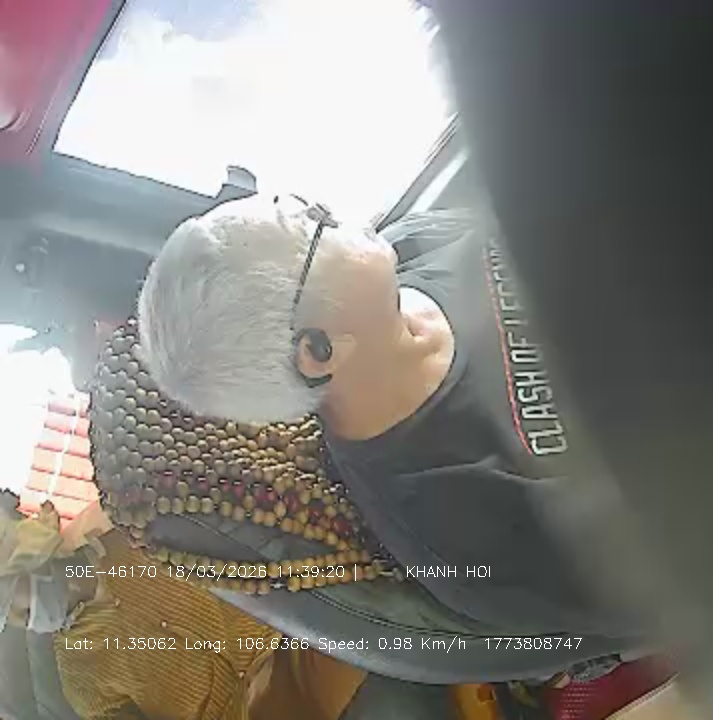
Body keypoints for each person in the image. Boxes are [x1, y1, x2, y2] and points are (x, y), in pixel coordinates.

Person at [135, 197, 625, 635]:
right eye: (315, 223)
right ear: (318, 351)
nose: (333, 206)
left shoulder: (411, 246)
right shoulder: (466, 530)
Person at [0, 494, 368, 720]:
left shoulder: (131, 529)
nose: (20, 622)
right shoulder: (80, 676)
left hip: (296, 635)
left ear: (31, 558)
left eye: (9, 603)